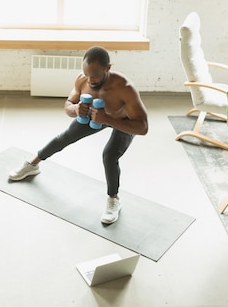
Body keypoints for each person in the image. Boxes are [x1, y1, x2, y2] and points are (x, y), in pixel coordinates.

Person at [8, 46, 149, 224]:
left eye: (95, 76)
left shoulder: (125, 88)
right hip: (95, 116)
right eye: (86, 74)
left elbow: (143, 127)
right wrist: (75, 109)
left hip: (124, 122)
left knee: (109, 155)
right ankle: (32, 165)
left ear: (108, 68)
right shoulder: (82, 80)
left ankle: (114, 200)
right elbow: (68, 104)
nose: (90, 80)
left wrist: (108, 119)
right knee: (65, 137)